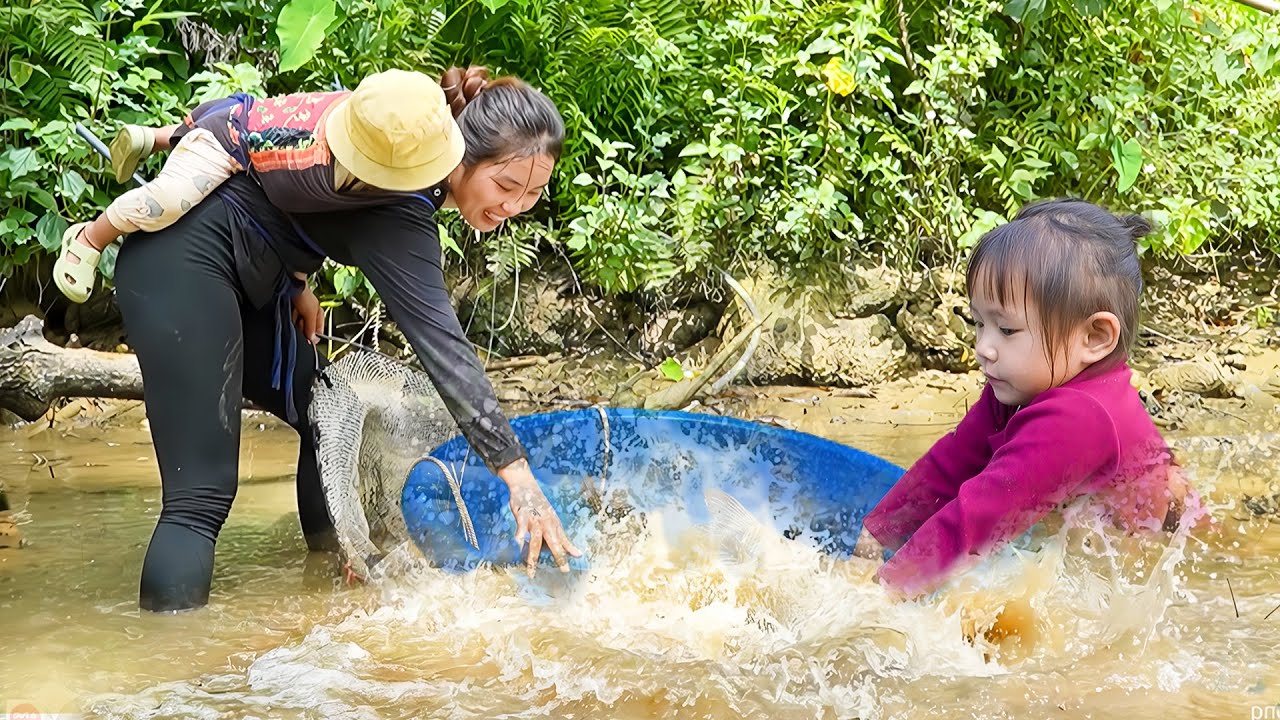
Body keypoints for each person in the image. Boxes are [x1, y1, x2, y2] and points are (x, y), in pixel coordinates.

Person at [107, 65, 581, 612]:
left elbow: (290, 197)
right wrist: (518, 477)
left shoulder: (403, 166)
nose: (515, 206)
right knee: (201, 496)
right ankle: (169, 681)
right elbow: (446, 352)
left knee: (322, 414)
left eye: (533, 194)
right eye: (504, 186)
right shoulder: (402, 198)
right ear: (462, 155)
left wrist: (296, 281)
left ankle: (331, 584)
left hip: (251, 277)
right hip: (180, 265)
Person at [854, 198, 1200, 600]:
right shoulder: (1022, 381)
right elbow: (955, 461)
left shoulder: (1078, 419)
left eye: (1006, 329)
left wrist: (886, 590)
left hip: (1168, 558)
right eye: (980, 323)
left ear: (1095, 338)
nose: (984, 347)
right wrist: (878, 531)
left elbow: (983, 514)